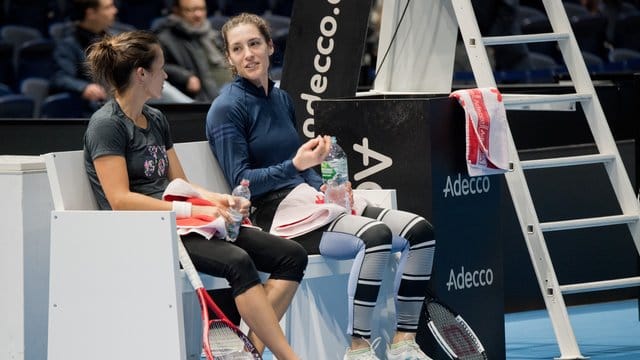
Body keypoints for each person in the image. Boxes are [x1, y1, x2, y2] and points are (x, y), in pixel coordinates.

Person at [206, 13, 436, 360]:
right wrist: (296, 166)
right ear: (230, 58)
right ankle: (358, 348)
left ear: (270, 46)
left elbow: (304, 170)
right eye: (237, 49)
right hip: (272, 214)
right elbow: (243, 181)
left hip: (308, 201)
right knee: (374, 237)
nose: (248, 54)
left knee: (420, 231)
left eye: (254, 44)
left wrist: (326, 185)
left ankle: (405, 340)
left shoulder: (282, 98)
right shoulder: (226, 108)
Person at [83, 29, 304, 360]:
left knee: (291, 255)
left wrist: (219, 200)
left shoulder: (155, 119)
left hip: (182, 223)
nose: (166, 75)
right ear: (141, 74)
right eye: (160, 68)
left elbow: (181, 184)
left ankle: (249, 351)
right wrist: (190, 213)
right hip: (144, 231)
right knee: (238, 262)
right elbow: (120, 200)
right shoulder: (106, 125)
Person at [154, 0, 232, 102]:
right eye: (191, 10)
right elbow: (155, 66)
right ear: (176, 10)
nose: (198, 14)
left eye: (201, 9)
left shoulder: (213, 34)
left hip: (229, 91)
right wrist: (184, 77)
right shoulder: (165, 38)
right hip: (202, 100)